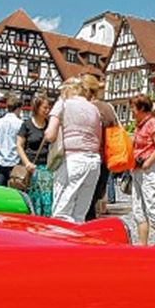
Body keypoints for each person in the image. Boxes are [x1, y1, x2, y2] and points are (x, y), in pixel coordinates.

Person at [45, 78, 102, 222]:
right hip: (93, 161)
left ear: (66, 90)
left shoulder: (63, 104)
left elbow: (50, 135)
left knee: (61, 213)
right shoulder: (94, 108)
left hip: (72, 160)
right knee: (79, 214)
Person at [130, 94, 155, 245]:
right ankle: (143, 245)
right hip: (137, 169)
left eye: (133, 108)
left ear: (141, 108)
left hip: (149, 169)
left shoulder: (153, 123)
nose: (131, 111)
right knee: (138, 210)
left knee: (153, 208)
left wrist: (148, 162)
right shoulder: (139, 125)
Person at [82, 74, 118, 220]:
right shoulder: (107, 108)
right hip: (102, 159)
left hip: (83, 156)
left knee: (81, 200)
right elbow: (115, 131)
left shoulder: (81, 107)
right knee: (94, 197)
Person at [16, 93, 54, 216]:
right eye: (45, 108)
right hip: (31, 169)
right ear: (37, 108)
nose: (47, 110)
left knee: (47, 201)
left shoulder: (50, 126)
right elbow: (19, 145)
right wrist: (27, 163)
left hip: (47, 169)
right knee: (33, 200)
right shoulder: (27, 125)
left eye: (49, 108)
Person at [0, 93, 24, 187]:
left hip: (1, 163)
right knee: (14, 192)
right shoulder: (21, 124)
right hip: (16, 163)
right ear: (18, 109)